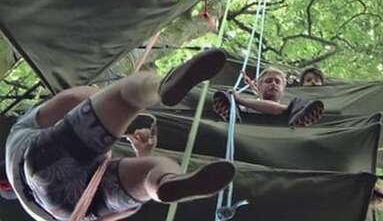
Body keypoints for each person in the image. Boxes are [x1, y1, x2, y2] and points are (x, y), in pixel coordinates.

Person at [3, 49, 235, 221]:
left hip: (70, 211)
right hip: (37, 164)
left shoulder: (31, 210)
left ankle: (164, 183)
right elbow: (70, 100)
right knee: (127, 94)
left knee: (153, 170)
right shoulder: (18, 133)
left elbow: (111, 215)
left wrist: (143, 154)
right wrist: (102, 100)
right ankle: (160, 87)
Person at [213, 67, 324, 127]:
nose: (273, 84)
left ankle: (301, 120)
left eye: (277, 82)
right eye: (268, 81)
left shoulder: (293, 106)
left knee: (299, 102)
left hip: (284, 120)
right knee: (227, 94)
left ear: (283, 89)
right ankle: (230, 114)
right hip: (246, 118)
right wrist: (235, 98)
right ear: (259, 86)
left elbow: (274, 108)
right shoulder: (246, 105)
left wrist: (241, 100)